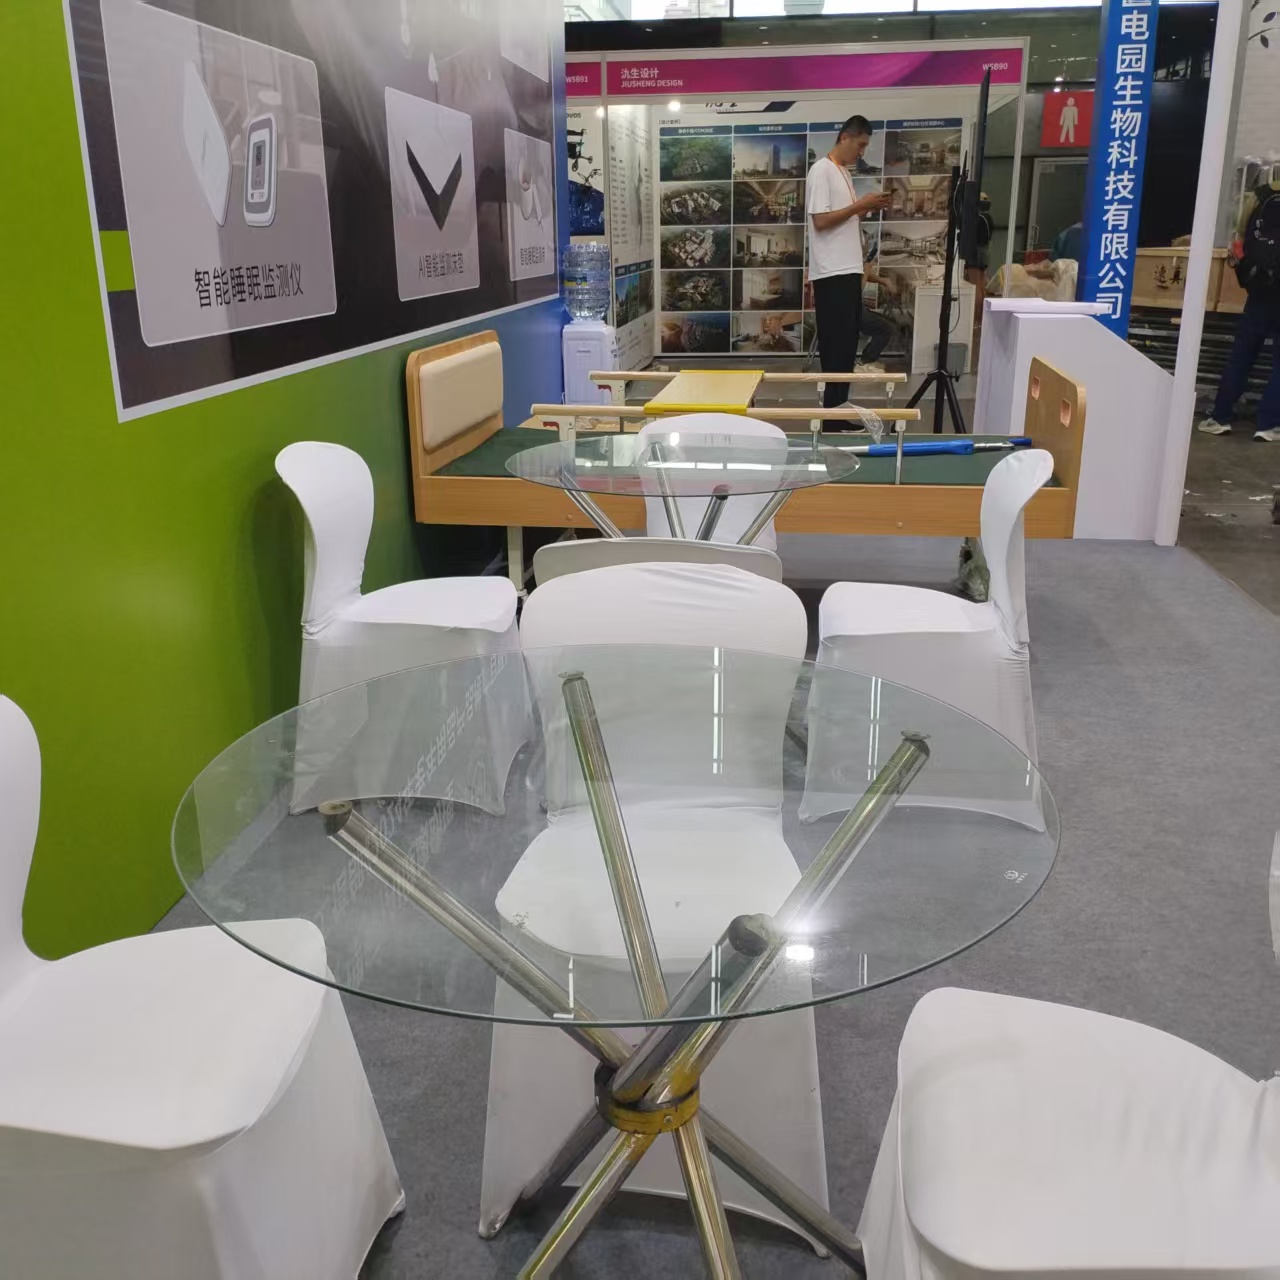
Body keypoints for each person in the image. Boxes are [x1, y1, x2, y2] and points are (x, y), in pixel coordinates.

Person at [806, 115, 894, 411]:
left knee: (846, 348)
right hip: (832, 273)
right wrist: (860, 205)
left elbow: (842, 218)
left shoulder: (842, 172)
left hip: (848, 270)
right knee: (836, 348)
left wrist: (865, 209)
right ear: (844, 137)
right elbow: (820, 221)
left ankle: (839, 411)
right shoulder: (822, 170)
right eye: (860, 145)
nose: (862, 151)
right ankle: (833, 415)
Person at [1197, 180, 1280, 442]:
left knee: (1241, 357)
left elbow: (1238, 247)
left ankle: (1220, 417)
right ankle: (1268, 425)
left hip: (1258, 296)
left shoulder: (1257, 201)